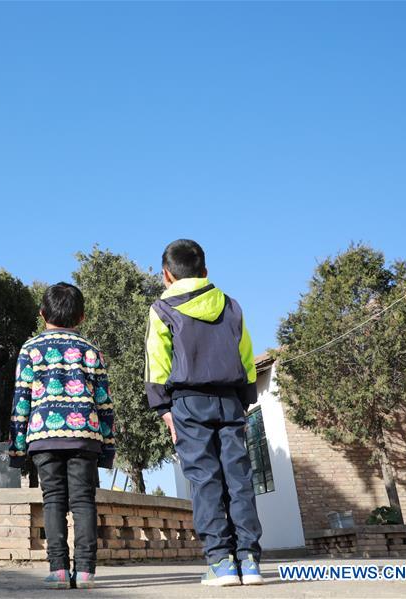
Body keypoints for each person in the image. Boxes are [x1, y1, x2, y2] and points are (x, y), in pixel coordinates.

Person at [144, 239, 264, 586]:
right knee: (239, 477)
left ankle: (220, 562)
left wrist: (163, 408)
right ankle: (250, 560)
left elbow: (157, 364)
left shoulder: (161, 309)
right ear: (205, 272)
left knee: (204, 478)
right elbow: (246, 356)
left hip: (188, 401)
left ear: (166, 275)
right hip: (230, 399)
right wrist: (245, 398)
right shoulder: (231, 305)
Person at [8, 282, 115, 590]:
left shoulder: (30, 349)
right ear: (81, 317)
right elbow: (104, 402)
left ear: (42, 314)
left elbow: (21, 399)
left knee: (52, 499)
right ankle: (84, 572)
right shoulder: (91, 351)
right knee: (83, 501)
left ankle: (57, 569)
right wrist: (107, 447)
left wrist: (17, 448)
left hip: (44, 436)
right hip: (85, 436)